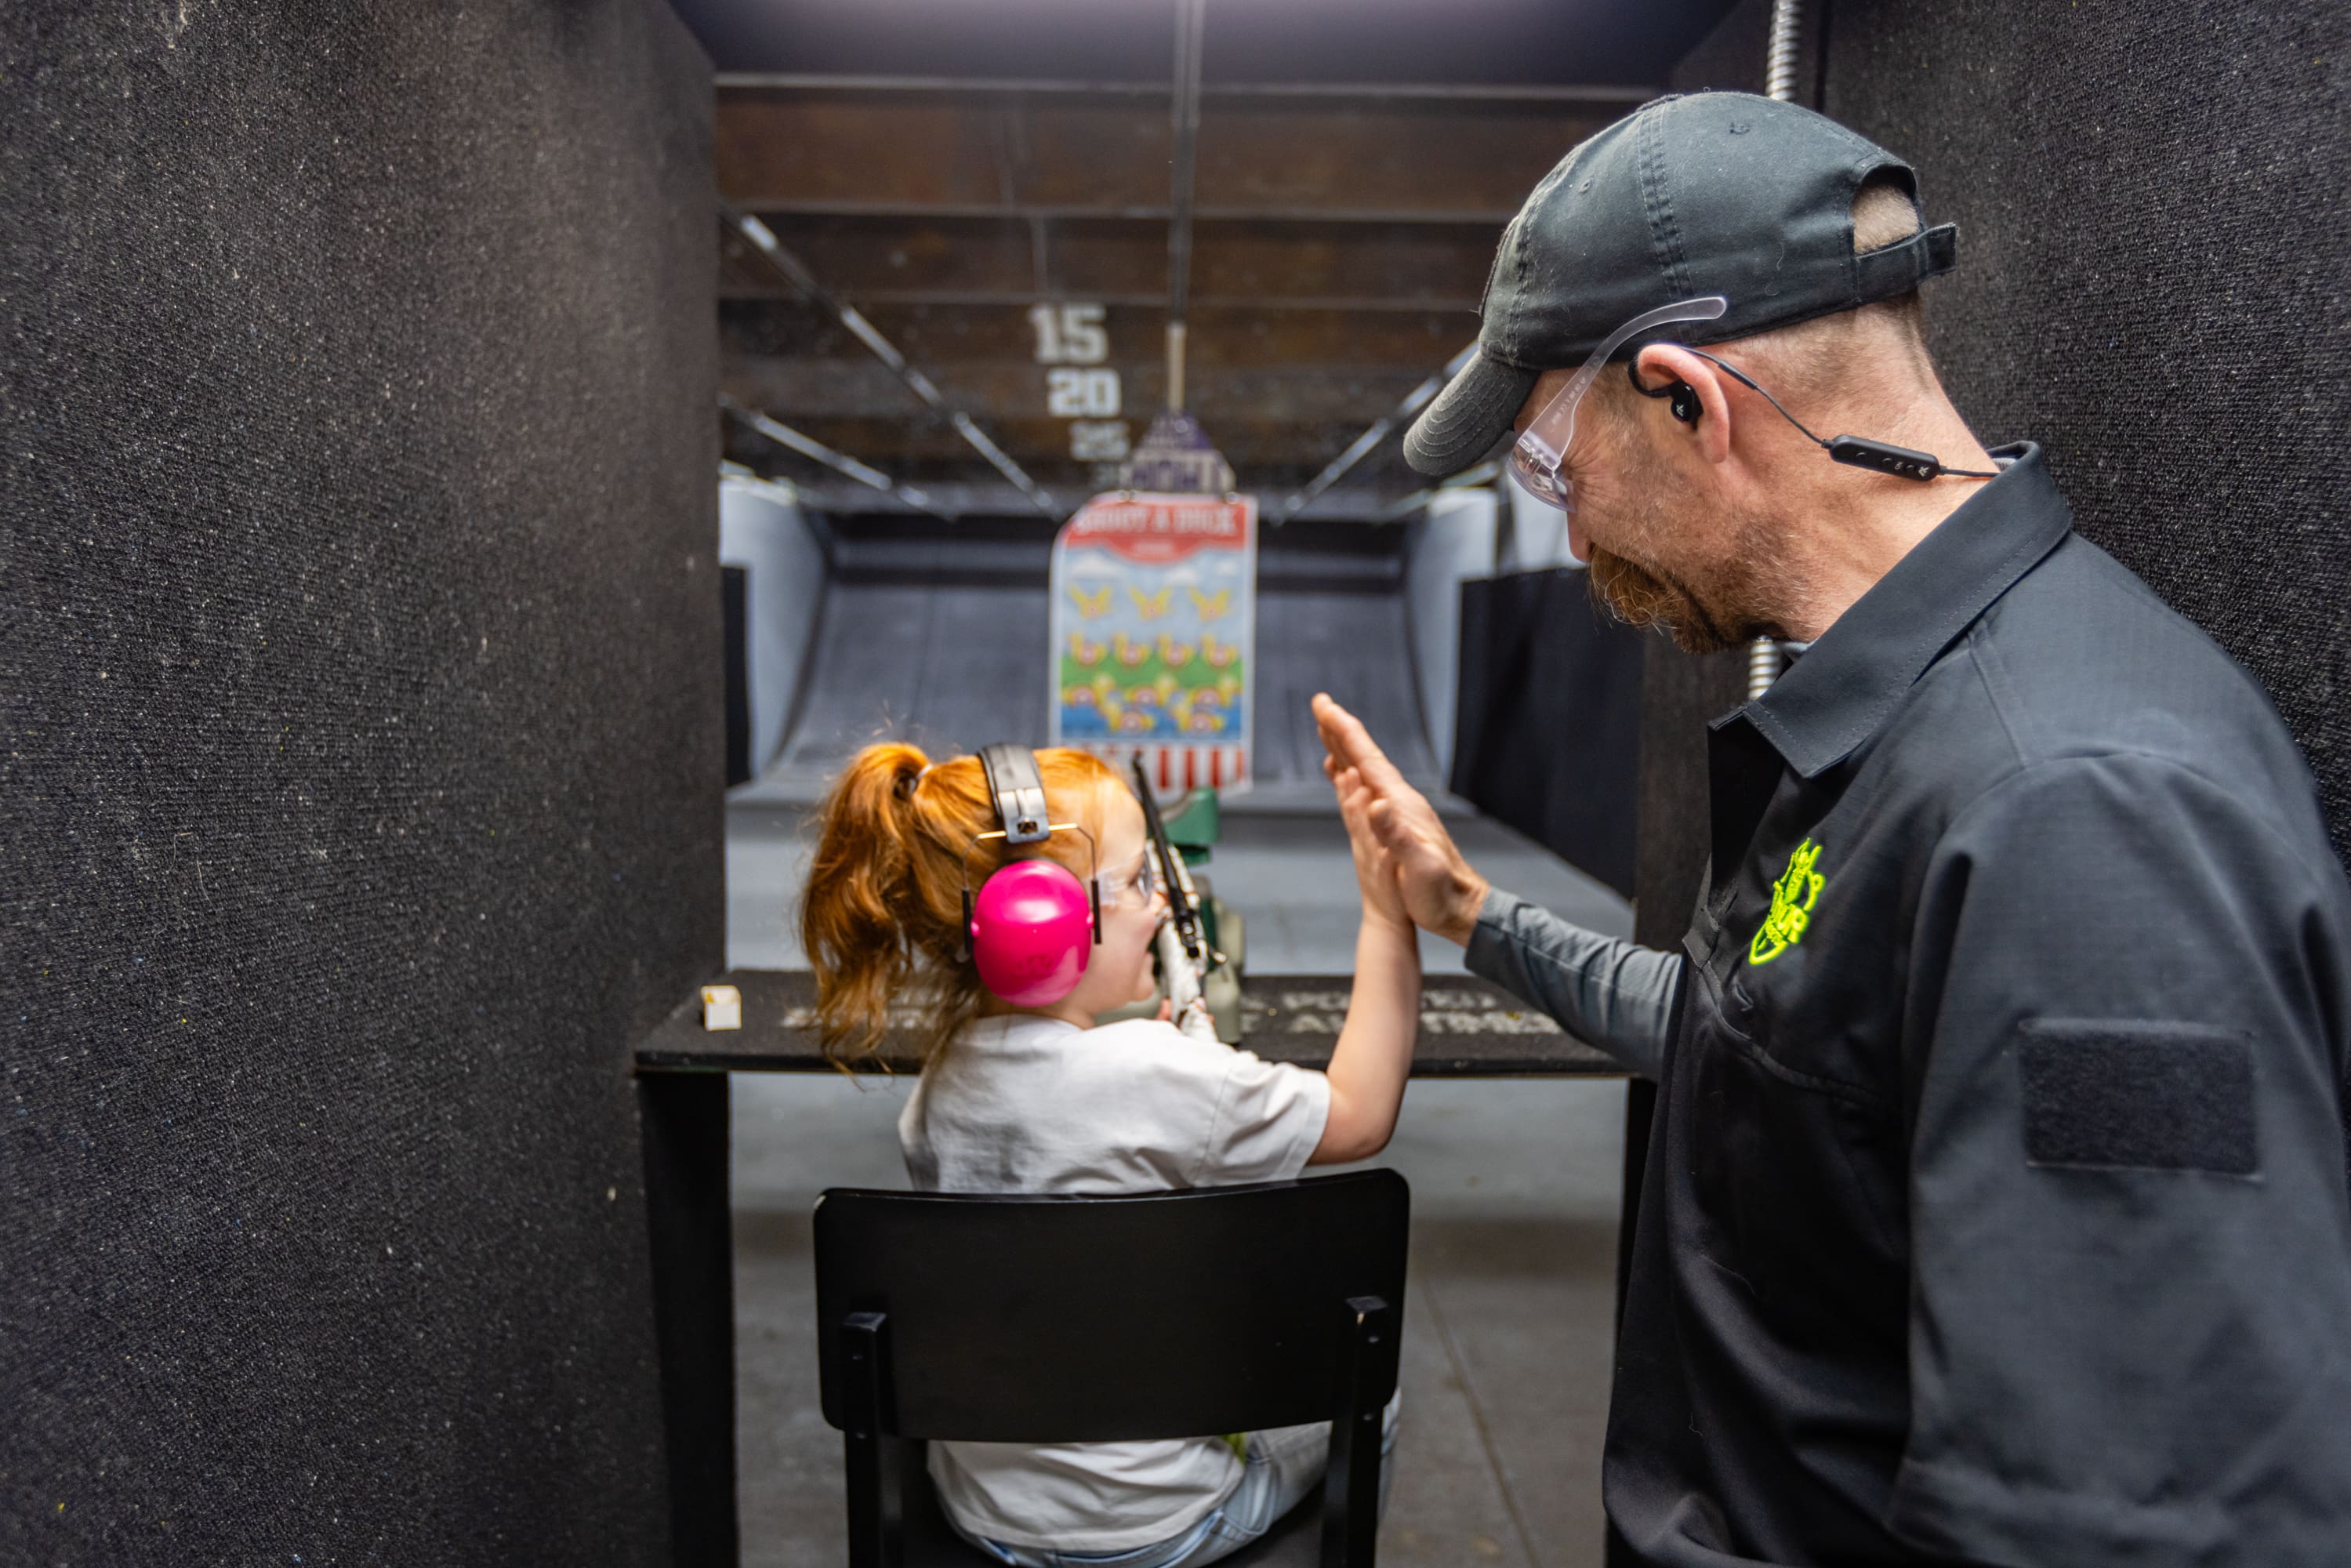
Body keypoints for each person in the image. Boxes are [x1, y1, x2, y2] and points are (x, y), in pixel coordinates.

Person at [1318, 89, 2351, 1567]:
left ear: (1688, 399)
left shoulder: (2072, 808)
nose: (1567, 534)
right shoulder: (1912, 719)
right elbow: (1770, 1050)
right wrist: (1465, 910)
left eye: (1556, 468)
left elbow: (2112, 1526)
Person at [797, 740, 1415, 1566]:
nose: (1157, 902)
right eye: (1132, 882)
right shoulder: (1165, 1072)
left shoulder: (938, 1090)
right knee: (1373, 1387)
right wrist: (1385, 911)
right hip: (1157, 1528)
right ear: (1037, 919)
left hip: (982, 1510)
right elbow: (1361, 1115)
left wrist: (1175, 1076)